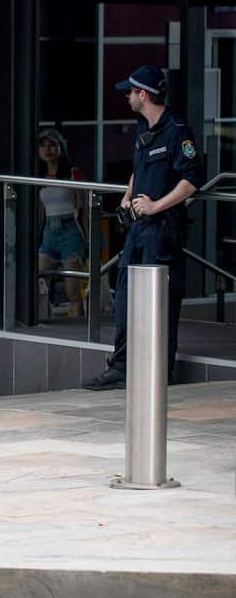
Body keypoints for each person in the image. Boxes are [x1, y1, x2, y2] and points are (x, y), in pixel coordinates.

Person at [83, 65, 205, 391]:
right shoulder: (143, 129)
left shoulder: (178, 132)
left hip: (163, 230)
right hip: (138, 230)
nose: (127, 96)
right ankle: (121, 367)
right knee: (124, 296)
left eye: (130, 91)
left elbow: (192, 179)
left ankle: (162, 370)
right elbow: (138, 170)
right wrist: (127, 195)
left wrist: (155, 205)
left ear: (144, 94)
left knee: (160, 302)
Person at [36, 128, 87, 318]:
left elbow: (83, 209)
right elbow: (39, 212)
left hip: (70, 230)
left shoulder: (73, 173)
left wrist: (88, 241)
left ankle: (81, 332)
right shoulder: (37, 177)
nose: (47, 150)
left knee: (72, 291)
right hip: (49, 231)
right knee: (39, 279)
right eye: (43, 146)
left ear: (60, 148)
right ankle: (41, 323)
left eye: (52, 145)